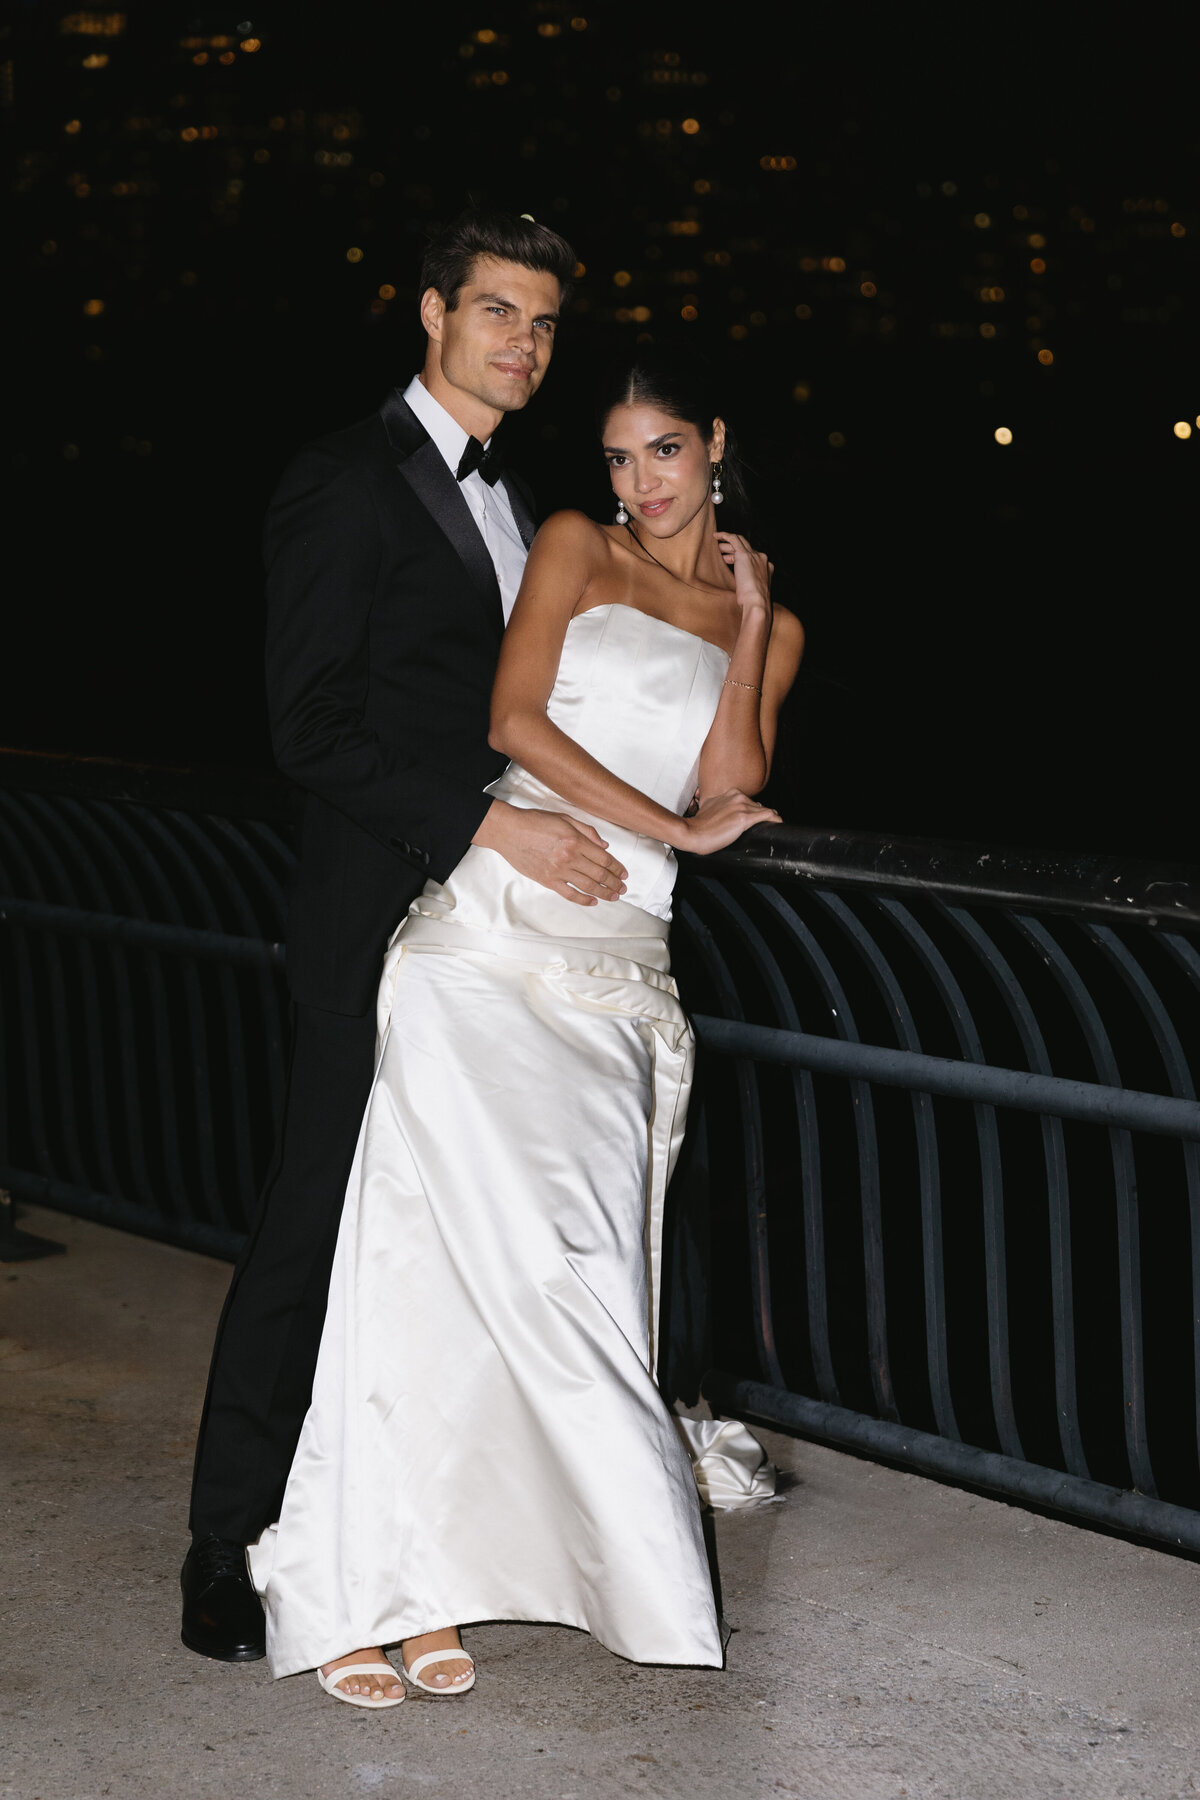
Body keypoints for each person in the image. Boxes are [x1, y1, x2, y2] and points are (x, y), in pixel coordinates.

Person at [246, 346, 805, 1706]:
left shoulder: (768, 624)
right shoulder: (573, 545)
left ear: (715, 446)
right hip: (487, 944)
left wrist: (750, 614)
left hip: (621, 968)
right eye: (618, 457)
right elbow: (513, 719)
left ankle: (445, 1571)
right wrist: (663, 827)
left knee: (572, 1283)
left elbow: (734, 777)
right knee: (417, 1275)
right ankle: (370, 1583)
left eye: (664, 452)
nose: (640, 484)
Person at [180, 210, 626, 1667]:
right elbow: (305, 726)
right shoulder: (341, 479)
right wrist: (493, 829)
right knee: (314, 1213)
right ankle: (225, 1546)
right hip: (370, 907)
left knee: (444, 1239)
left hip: (487, 926)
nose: (524, 342)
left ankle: (415, 1533)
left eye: (545, 323)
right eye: (498, 310)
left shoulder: (530, 499)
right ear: (430, 314)